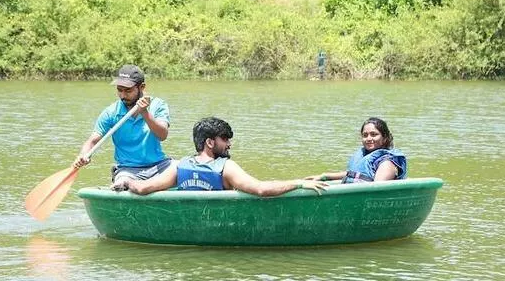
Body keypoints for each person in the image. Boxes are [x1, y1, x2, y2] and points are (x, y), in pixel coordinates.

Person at [112, 117, 328, 196]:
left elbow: (143, 188)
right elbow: (261, 189)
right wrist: (298, 183)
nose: (229, 144)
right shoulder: (226, 167)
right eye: (225, 139)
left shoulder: (179, 166)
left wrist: (125, 182)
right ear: (210, 142)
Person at [73, 64, 171, 183]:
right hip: (127, 170)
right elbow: (92, 141)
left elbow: (162, 135)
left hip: (158, 166)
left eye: (128, 90)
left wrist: (145, 112)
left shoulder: (158, 105)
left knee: (180, 168)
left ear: (142, 87)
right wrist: (84, 155)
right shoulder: (111, 112)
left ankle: (145, 187)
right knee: (122, 182)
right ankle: (139, 186)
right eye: (119, 90)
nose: (123, 95)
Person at [306, 117, 407, 183]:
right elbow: (353, 174)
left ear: (385, 138)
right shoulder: (364, 156)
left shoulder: (387, 163)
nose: (368, 139)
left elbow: (377, 190)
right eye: (365, 135)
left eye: (374, 134)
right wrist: (324, 176)